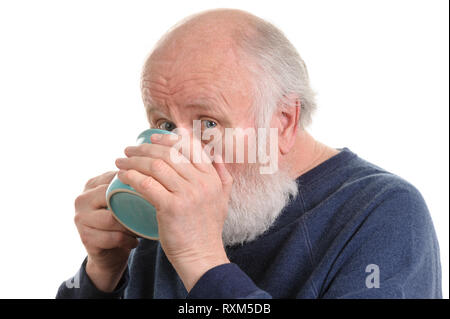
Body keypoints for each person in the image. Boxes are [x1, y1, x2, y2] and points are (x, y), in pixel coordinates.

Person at [56, 9, 441, 298]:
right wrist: (100, 276)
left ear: (284, 122)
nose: (178, 152)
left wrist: (201, 260)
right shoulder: (161, 209)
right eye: (165, 125)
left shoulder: (385, 213)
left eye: (208, 123)